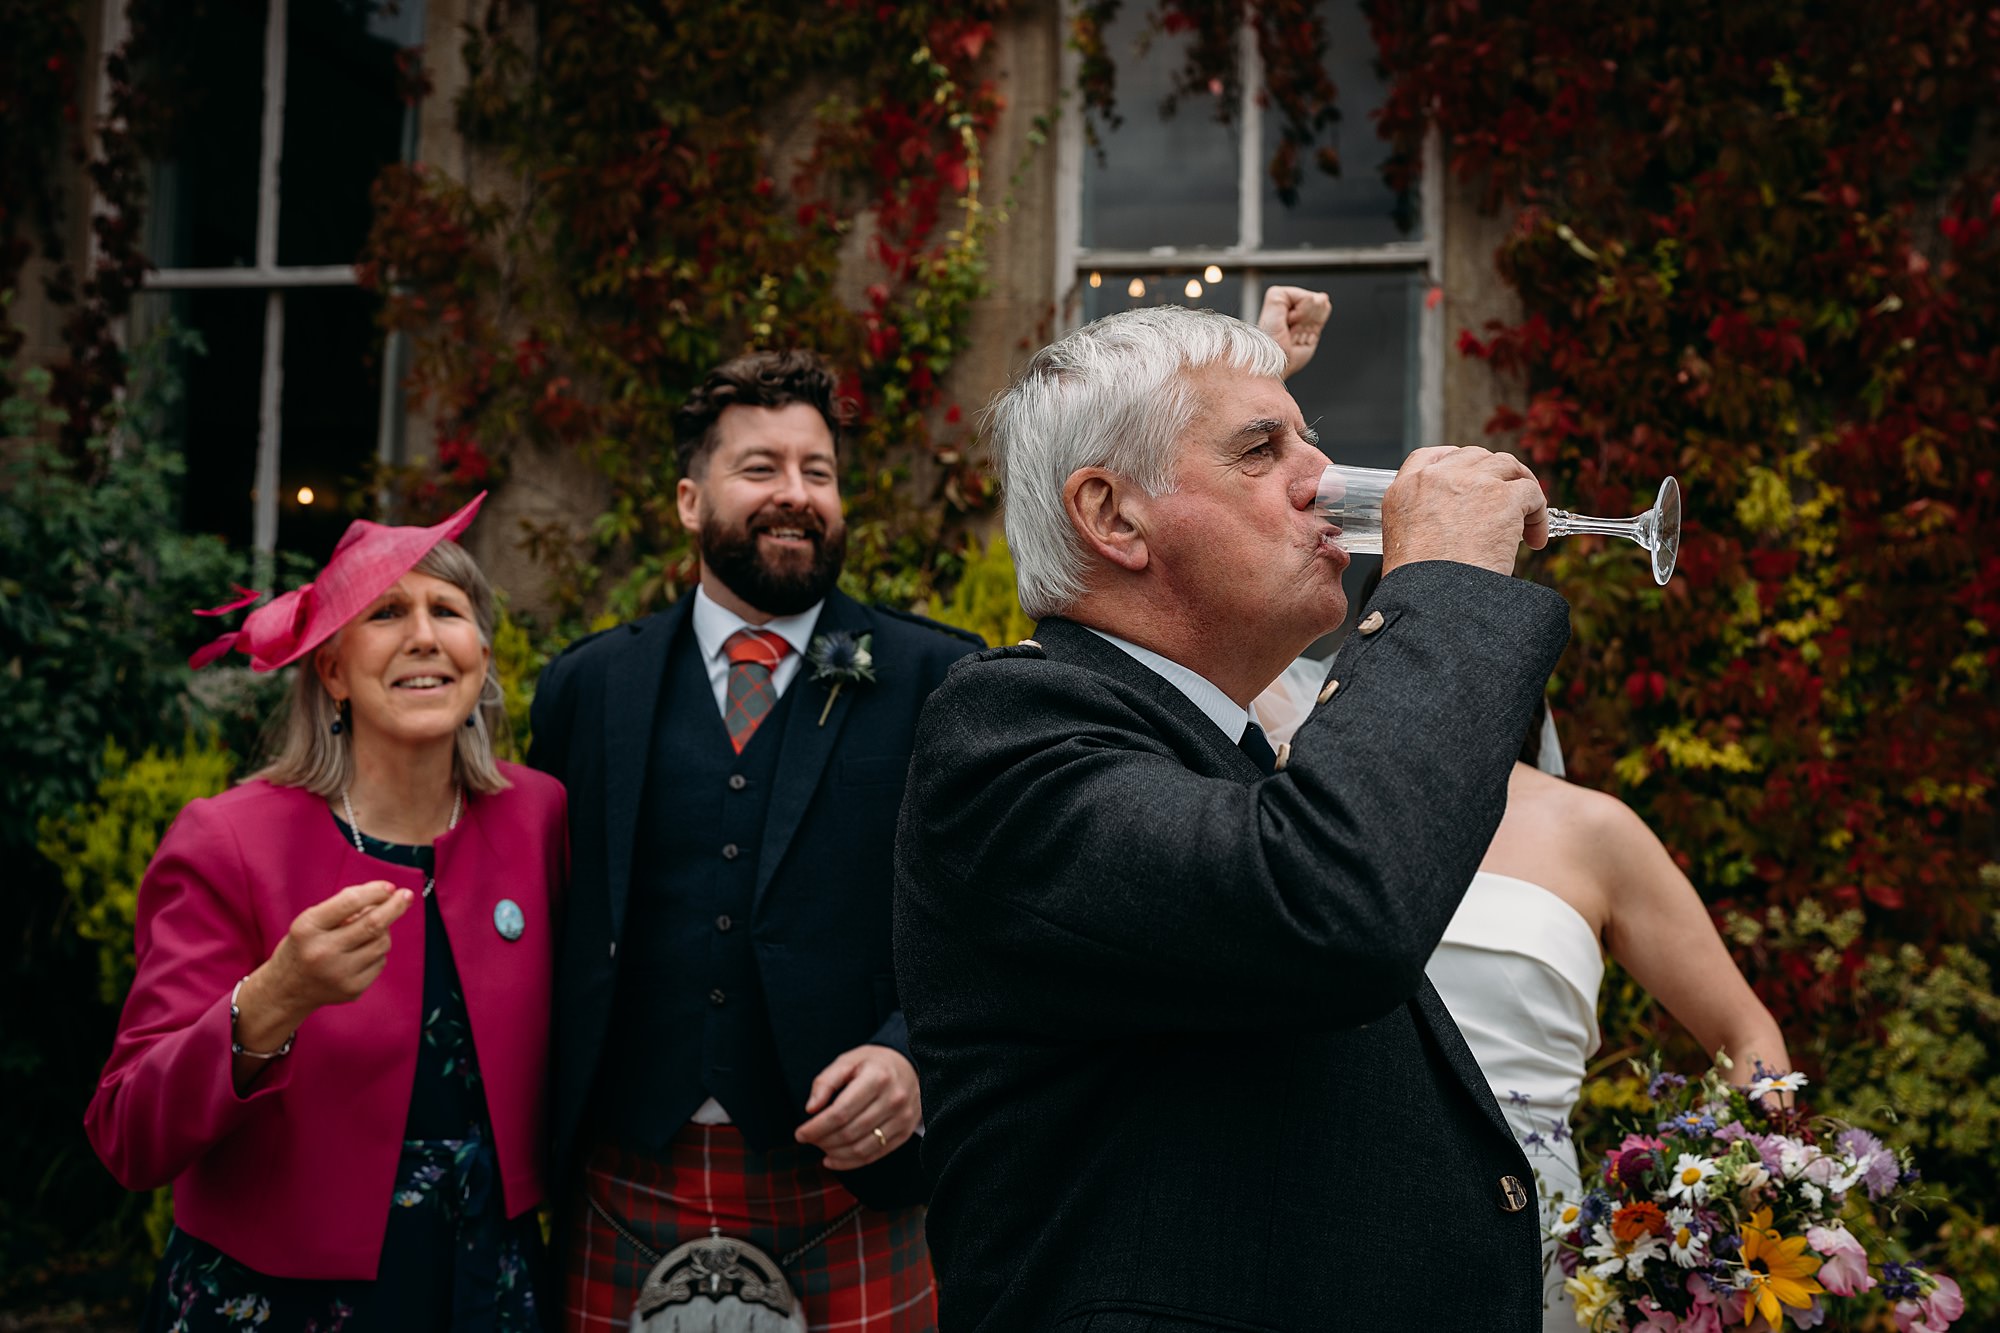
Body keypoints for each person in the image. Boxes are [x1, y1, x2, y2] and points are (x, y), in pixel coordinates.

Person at [894, 304, 1571, 1332]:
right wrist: (1441, 585)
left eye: (1308, 439)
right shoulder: (1005, 735)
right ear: (1112, 518)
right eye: (1261, 449)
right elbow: (1330, 899)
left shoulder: (1215, 743)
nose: (1323, 479)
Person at [531, 349, 982, 1332]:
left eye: (816, 472)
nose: (795, 494)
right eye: (760, 468)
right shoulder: (589, 686)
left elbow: (988, 922)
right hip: (624, 1163)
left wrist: (914, 1058)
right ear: (691, 500)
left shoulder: (936, 680)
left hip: (846, 1181)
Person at [85, 494, 568, 1332]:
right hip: (280, 1302)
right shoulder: (230, 838)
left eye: (446, 611)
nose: (424, 634)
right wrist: (271, 999)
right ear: (333, 670)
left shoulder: (541, 816)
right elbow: (129, 1132)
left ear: (482, 656)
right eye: (387, 612)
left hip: (489, 1292)